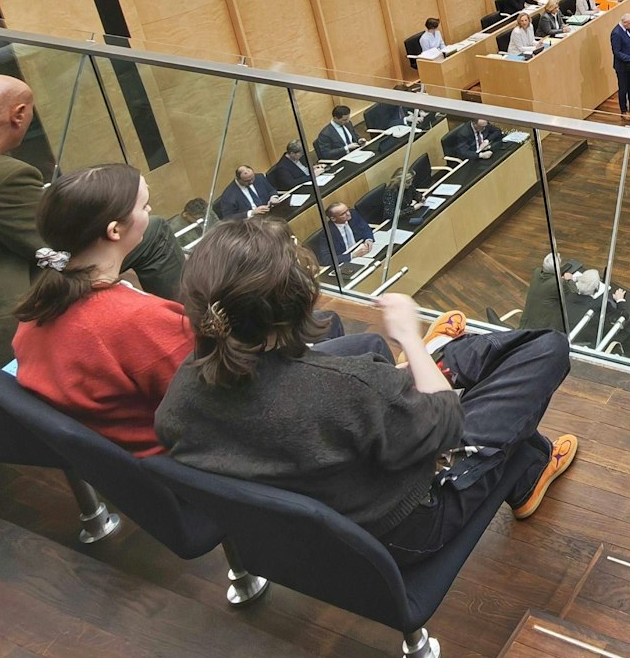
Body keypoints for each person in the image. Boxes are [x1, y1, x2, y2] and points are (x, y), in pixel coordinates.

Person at [155, 220, 578, 559]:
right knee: (546, 348)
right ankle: (440, 369)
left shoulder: (179, 398)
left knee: (367, 351)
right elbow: (448, 422)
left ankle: (433, 366)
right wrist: (410, 338)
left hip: (317, 523)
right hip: (408, 524)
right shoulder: (347, 389)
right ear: (295, 309)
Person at [10, 164, 191, 456]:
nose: (150, 211)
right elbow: (214, 401)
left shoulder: (35, 311)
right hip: (181, 466)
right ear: (115, 230)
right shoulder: (140, 321)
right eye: (144, 206)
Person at [214, 166, 282, 222]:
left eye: (252, 178)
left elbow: (271, 190)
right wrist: (252, 213)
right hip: (250, 223)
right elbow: (228, 218)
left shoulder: (259, 177)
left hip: (271, 214)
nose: (251, 182)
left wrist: (273, 197)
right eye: (247, 181)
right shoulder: (228, 195)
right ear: (238, 179)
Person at [318, 201, 375, 267]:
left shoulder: (353, 214)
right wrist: (353, 255)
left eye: (347, 210)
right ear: (333, 219)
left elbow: (365, 228)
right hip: (346, 261)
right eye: (343, 214)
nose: (348, 214)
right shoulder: (327, 233)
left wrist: (369, 239)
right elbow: (326, 259)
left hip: (362, 251)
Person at [611, 15, 630, 125]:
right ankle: (623, 111)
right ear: (624, 23)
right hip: (622, 66)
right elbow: (617, 52)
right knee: (623, 88)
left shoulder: (628, 28)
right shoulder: (616, 33)